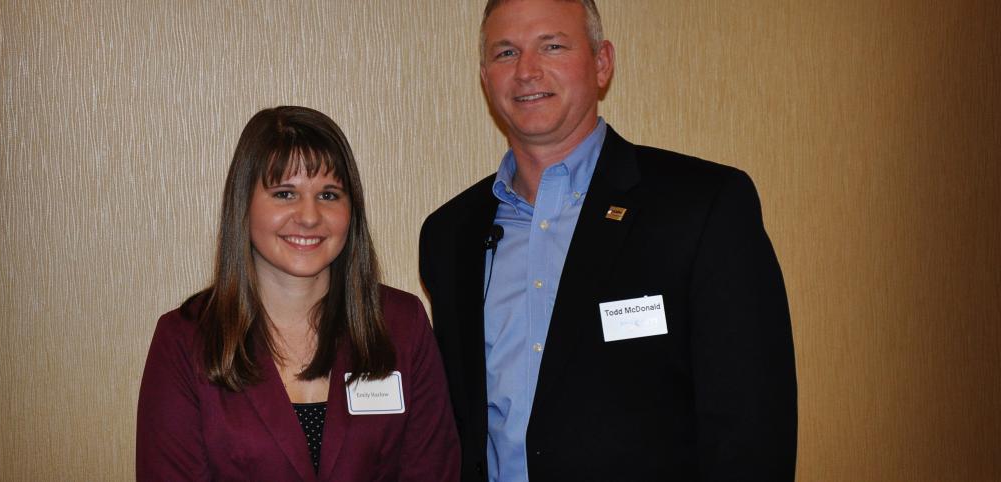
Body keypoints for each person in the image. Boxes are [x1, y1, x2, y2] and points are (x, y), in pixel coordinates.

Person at [419, 1, 797, 480]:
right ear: (484, 76)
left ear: (602, 63)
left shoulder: (701, 207)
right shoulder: (450, 234)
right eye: (506, 53)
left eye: (552, 46)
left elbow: (752, 426)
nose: (527, 71)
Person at [138, 106, 460, 481]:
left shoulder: (403, 324)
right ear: (244, 206)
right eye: (285, 193)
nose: (309, 216)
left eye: (328, 195)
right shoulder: (184, 339)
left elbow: (433, 469)